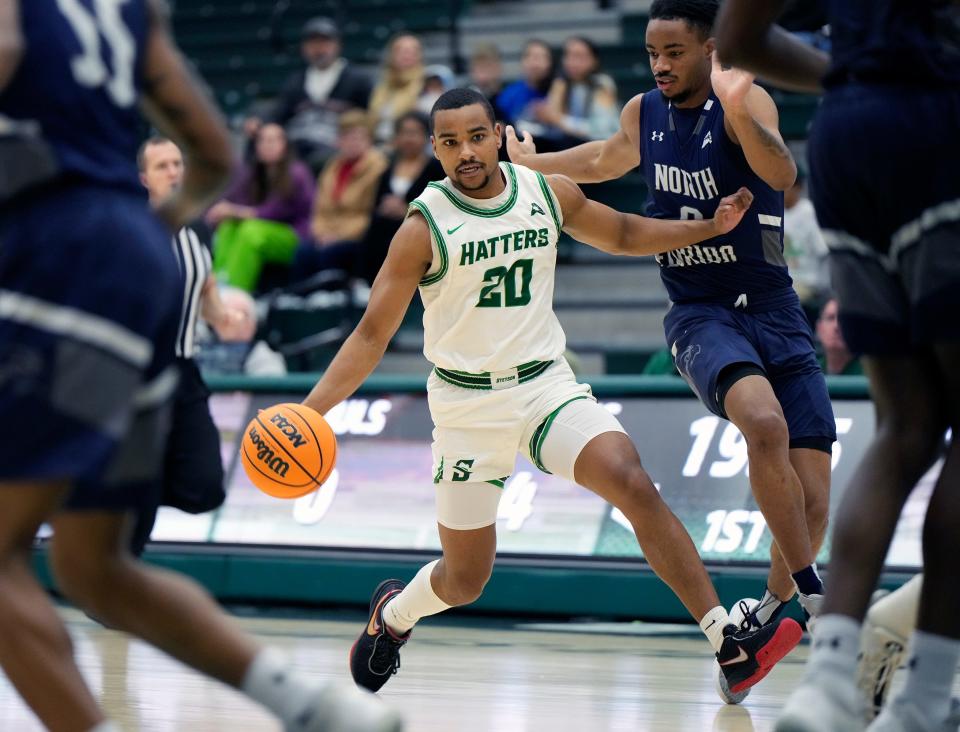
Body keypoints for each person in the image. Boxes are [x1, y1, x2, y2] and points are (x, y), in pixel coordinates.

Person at [297, 87, 803, 701]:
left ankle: (726, 643)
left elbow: (618, 232)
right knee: (465, 580)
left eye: (477, 137)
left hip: (545, 386)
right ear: (434, 149)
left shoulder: (544, 190)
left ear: (499, 135)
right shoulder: (421, 227)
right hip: (466, 407)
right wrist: (309, 412)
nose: (466, 153)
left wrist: (703, 228)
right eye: (450, 143)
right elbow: (373, 334)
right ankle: (395, 616)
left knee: (633, 482)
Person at [0, 2, 399, 731]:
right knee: (97, 572)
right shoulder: (129, 14)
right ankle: (310, 705)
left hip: (53, 261)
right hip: (141, 269)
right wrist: (138, 233)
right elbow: (216, 155)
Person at [508, 0, 835, 705]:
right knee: (765, 423)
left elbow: (779, 174)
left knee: (813, 498)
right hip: (700, 311)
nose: (659, 64)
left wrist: (742, 112)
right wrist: (532, 168)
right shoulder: (641, 114)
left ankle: (767, 614)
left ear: (710, 48)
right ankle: (815, 593)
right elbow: (601, 159)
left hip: (774, 305)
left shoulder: (746, 100)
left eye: (674, 52)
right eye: (653, 52)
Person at [715, 0, 960, 730]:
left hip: (845, 141)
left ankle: (828, 685)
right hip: (937, 124)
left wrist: (851, 78)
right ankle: (921, 699)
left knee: (906, 428)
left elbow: (737, 36)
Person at [131, 136, 251, 555]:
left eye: (179, 163)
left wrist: (223, 317)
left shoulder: (198, 226)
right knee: (140, 495)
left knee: (205, 488)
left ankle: (113, 493)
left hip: (184, 369)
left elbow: (205, 287)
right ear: (144, 178)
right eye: (163, 166)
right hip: (138, 374)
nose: (175, 172)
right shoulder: (131, 228)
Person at [251, 16, 372, 170]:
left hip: (336, 146)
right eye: (313, 43)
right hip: (298, 147)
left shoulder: (357, 79)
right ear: (304, 47)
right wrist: (259, 122)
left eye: (324, 42)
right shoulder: (295, 81)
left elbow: (369, 117)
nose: (319, 49)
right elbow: (278, 114)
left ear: (337, 45)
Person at [209, 122, 315, 292]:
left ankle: (234, 294)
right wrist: (225, 212)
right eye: (263, 141)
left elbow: (276, 211)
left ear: (285, 145)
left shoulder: (297, 172)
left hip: (296, 236)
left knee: (251, 231)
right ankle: (217, 284)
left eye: (273, 140)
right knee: (229, 226)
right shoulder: (256, 173)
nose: (267, 145)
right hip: (266, 231)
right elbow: (238, 200)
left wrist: (233, 210)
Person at [291, 110, 388, 283]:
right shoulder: (332, 167)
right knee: (303, 252)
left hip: (358, 236)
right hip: (326, 235)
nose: (353, 143)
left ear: (369, 140)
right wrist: (321, 234)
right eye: (347, 137)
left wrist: (338, 237)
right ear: (339, 141)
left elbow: (371, 216)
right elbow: (319, 209)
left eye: (359, 137)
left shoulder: (378, 168)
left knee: (331, 253)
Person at [354, 111, 443, 285]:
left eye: (414, 133)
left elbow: (440, 205)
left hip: (421, 229)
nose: (408, 138)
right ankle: (366, 283)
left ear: (427, 137)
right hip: (385, 227)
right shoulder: (387, 167)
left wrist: (406, 210)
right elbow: (377, 201)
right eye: (404, 132)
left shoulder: (435, 168)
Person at [518, 36, 619, 151]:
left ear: (594, 60)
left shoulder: (602, 84)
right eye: (568, 55)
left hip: (600, 147)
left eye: (579, 56)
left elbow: (601, 130)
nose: (572, 62)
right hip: (569, 145)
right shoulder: (561, 83)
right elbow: (552, 126)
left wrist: (559, 120)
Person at [368, 33, 425, 147]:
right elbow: (372, 116)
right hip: (377, 142)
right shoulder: (383, 86)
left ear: (419, 56)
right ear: (392, 56)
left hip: (406, 145)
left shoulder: (426, 83)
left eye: (412, 51)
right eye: (401, 51)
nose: (406, 55)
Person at [783, 171, 828, 308]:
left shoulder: (810, 213)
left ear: (798, 187)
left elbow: (824, 253)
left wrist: (821, 287)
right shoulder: (774, 212)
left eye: (785, 186)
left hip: (806, 281)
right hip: (781, 281)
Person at [497, 39, 556, 127]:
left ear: (550, 63)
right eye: (531, 57)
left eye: (541, 57)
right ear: (522, 61)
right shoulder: (509, 94)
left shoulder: (560, 92)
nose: (535, 64)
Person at [815, 297, 862, 376]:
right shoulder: (806, 372)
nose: (836, 326)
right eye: (830, 318)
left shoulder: (873, 376)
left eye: (843, 319)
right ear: (819, 328)